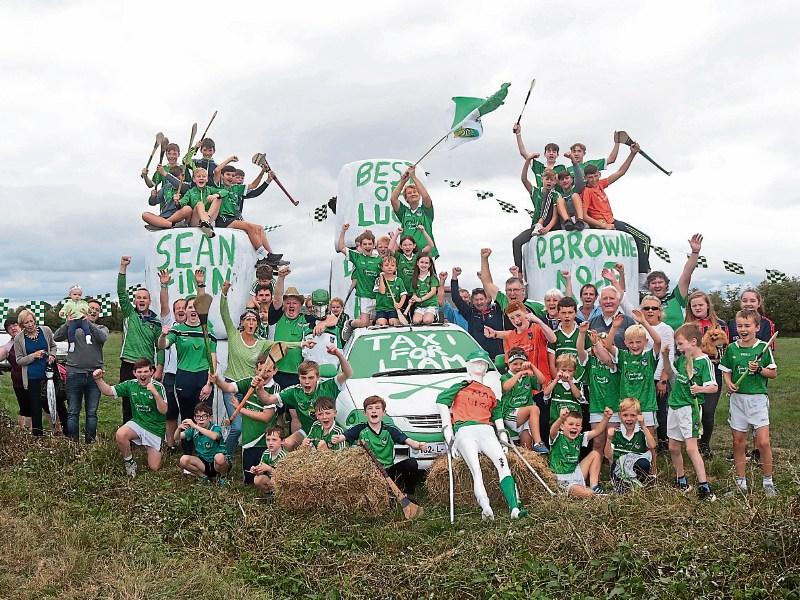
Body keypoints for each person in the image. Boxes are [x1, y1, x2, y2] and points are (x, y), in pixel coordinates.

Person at [437, 350, 527, 520]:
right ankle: (485, 507)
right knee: (476, 470)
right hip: (465, 431)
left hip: (486, 431)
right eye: (475, 362)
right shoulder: (460, 386)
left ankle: (514, 508)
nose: (479, 365)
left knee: (502, 464)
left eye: (482, 363)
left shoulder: (491, 392)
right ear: (468, 366)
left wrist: (502, 436)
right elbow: (441, 402)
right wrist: (448, 435)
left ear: (487, 367)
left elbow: (497, 414)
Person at [219, 278, 301, 457]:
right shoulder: (234, 335)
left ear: (257, 324)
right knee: (237, 426)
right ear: (242, 323)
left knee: (251, 424)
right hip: (233, 386)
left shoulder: (261, 343)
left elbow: (281, 344)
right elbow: (224, 313)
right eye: (247, 320)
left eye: (253, 321)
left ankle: (257, 455)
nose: (250, 323)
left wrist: (302, 343)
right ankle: (224, 457)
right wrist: (224, 293)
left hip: (252, 387)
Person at [720, 309, 778, 496]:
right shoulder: (732, 348)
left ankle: (768, 482)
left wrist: (759, 369)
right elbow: (726, 370)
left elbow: (773, 373)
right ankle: (741, 483)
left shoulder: (763, 347)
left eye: (747, 325)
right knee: (738, 442)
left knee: (763, 443)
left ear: (757, 327)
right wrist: (729, 383)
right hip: (738, 401)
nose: (743, 329)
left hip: (757, 401)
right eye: (740, 326)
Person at [581, 144, 652, 283]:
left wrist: (632, 154)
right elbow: (583, 216)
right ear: (585, 178)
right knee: (644, 240)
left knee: (645, 239)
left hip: (612, 220)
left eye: (595, 176)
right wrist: (603, 225)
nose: (594, 180)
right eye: (590, 177)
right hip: (607, 223)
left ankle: (644, 272)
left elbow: (620, 172)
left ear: (599, 175)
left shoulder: (600, 184)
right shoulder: (587, 192)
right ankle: (643, 278)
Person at [333, 395, 429, 493]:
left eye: (377, 408)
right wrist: (338, 438)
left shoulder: (390, 429)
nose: (374, 411)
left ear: (384, 412)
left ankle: (408, 495)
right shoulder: (360, 428)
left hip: (388, 471)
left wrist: (418, 445)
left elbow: (408, 441)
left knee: (411, 463)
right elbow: (345, 436)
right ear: (365, 413)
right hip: (370, 472)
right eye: (370, 408)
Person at [158, 292, 217, 447]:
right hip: (184, 377)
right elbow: (162, 345)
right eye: (189, 307)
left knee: (204, 416)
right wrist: (163, 336)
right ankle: (188, 453)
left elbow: (213, 359)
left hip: (203, 378)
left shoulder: (208, 330)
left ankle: (205, 452)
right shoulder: (178, 329)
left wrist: (209, 384)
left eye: (195, 307)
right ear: (186, 310)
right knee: (187, 416)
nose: (192, 310)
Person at [667, 323, 718, 501]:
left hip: (690, 409)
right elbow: (670, 371)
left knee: (691, 448)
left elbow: (713, 387)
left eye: (680, 344)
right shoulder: (682, 358)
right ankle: (681, 480)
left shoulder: (704, 362)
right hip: (674, 405)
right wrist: (666, 356)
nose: (678, 348)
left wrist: (700, 389)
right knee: (673, 446)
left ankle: (704, 486)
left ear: (693, 342)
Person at [93, 359, 168, 477]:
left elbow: (163, 410)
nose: (143, 374)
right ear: (135, 373)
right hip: (138, 422)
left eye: (145, 371)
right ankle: (129, 462)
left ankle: (158, 446)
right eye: (139, 372)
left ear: (152, 372)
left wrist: (155, 394)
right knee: (120, 434)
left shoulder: (158, 387)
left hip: (155, 428)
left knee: (154, 468)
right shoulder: (130, 384)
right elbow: (108, 391)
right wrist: (98, 379)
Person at [215, 353, 281, 484]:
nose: (265, 374)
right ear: (256, 370)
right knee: (249, 481)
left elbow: (266, 417)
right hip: (248, 441)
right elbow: (228, 387)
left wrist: (240, 408)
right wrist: (217, 380)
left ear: (275, 371)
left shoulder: (275, 388)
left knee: (264, 479)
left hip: (266, 442)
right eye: (262, 370)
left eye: (269, 370)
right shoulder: (249, 382)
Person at [272, 350, 352, 450]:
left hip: (327, 430)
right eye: (303, 378)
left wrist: (339, 354)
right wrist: (259, 387)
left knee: (324, 448)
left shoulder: (329, 386)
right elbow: (268, 399)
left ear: (318, 377)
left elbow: (348, 374)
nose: (307, 382)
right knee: (287, 444)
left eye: (310, 378)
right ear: (299, 377)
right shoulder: (295, 391)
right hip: (307, 431)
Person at [53, 297, 108, 443]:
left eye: (97, 310)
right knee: (73, 412)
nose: (94, 311)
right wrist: (69, 322)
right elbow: (56, 337)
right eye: (91, 308)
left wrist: (87, 323)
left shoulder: (101, 328)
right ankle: (73, 444)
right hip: (74, 373)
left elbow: (102, 338)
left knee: (91, 413)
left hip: (94, 376)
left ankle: (89, 444)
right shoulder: (73, 328)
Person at [117, 256, 164, 423]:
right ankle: (128, 436)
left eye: (145, 298)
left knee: (147, 401)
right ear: (135, 300)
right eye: (139, 297)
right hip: (128, 364)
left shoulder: (156, 321)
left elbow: (160, 347)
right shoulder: (130, 314)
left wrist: (159, 368)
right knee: (128, 401)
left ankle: (145, 433)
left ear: (150, 301)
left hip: (147, 367)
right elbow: (121, 292)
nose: (141, 300)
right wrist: (123, 267)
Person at [684, 290, 728, 457]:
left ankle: (705, 445)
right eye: (694, 305)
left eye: (700, 304)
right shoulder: (686, 325)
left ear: (708, 305)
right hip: (692, 370)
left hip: (712, 370)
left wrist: (718, 356)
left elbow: (726, 347)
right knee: (693, 410)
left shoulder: (721, 324)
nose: (697, 308)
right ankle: (692, 445)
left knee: (708, 411)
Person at [604, 311, 663, 435]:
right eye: (631, 342)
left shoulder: (648, 356)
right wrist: (614, 327)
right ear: (625, 343)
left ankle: (651, 455)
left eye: (638, 342)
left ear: (645, 342)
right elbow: (608, 345)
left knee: (648, 438)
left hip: (646, 405)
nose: (634, 345)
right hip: (627, 407)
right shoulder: (623, 355)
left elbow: (658, 341)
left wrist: (643, 322)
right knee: (629, 437)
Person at [214, 163, 285, 266]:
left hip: (234, 219)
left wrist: (263, 174)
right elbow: (216, 171)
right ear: (222, 176)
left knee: (259, 228)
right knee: (250, 227)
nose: (231, 177)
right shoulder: (218, 186)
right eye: (228, 174)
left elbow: (253, 186)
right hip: (223, 219)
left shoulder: (236, 188)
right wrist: (229, 159)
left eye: (233, 176)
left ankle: (272, 258)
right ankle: (264, 255)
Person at [636, 295, 675, 452]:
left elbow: (668, 355)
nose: (650, 311)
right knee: (642, 411)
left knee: (660, 412)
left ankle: (663, 445)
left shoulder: (666, 329)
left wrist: (662, 379)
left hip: (658, 378)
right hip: (640, 378)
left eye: (654, 308)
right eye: (646, 308)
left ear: (660, 311)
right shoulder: (637, 327)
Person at [549, 407, 613, 497]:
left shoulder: (580, 437)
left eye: (578, 425)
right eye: (571, 424)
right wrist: (561, 418)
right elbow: (552, 431)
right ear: (562, 426)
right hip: (562, 478)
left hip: (576, 473)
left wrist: (606, 418)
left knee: (595, 454)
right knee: (586, 493)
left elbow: (597, 431)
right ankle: (588, 492)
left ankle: (594, 486)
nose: (574, 427)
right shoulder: (558, 437)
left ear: (581, 428)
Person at [12, 309, 57, 436]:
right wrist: (33, 356)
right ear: (22, 325)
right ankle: (38, 436)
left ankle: (59, 431)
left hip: (49, 375)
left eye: (31, 321)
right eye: (26, 323)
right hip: (32, 377)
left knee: (52, 403)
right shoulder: (19, 339)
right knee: (35, 407)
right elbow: (19, 360)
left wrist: (52, 355)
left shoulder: (46, 330)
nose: (30, 324)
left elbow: (53, 346)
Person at [486, 301, 556, 381]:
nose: (516, 320)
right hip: (523, 388)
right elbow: (510, 365)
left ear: (526, 313)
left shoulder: (537, 328)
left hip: (543, 383)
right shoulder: (509, 337)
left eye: (518, 315)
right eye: (512, 318)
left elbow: (553, 339)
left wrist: (539, 321)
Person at [576, 321, 620, 451]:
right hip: (596, 408)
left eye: (605, 345)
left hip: (614, 408)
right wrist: (582, 333)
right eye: (598, 345)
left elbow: (606, 359)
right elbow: (580, 350)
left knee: (612, 444)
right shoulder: (591, 361)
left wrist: (597, 343)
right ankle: (597, 470)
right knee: (598, 443)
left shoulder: (615, 362)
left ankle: (615, 470)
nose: (601, 348)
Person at [645, 234, 704, 330]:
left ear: (666, 285)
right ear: (649, 286)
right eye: (653, 283)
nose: (657, 285)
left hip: (680, 342)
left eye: (660, 282)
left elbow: (686, 274)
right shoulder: (645, 304)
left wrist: (695, 252)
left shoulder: (676, 297)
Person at [478, 248, 546, 326]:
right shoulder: (504, 300)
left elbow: (557, 310)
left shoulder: (535, 306)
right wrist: (484, 258)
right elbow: (488, 283)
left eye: (516, 290)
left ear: (523, 291)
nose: (512, 293)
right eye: (509, 290)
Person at [156, 269, 185, 450]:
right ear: (174, 313)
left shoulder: (195, 326)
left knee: (189, 410)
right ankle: (171, 445)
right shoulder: (170, 324)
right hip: (171, 375)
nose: (181, 311)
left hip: (188, 373)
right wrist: (164, 285)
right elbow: (164, 304)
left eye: (184, 308)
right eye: (178, 309)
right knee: (171, 412)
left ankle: (189, 443)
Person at [512, 167, 561, 271]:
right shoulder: (536, 192)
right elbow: (524, 179)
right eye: (547, 179)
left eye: (552, 180)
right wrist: (528, 160)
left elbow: (555, 216)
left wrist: (547, 228)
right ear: (542, 179)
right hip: (536, 227)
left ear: (555, 182)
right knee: (516, 241)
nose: (549, 181)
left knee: (549, 194)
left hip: (551, 226)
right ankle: (519, 272)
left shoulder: (556, 194)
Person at [500, 347, 547, 453]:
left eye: (521, 364)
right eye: (515, 364)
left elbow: (542, 380)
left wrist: (532, 367)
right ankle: (538, 442)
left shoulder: (528, 377)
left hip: (525, 419)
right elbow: (506, 387)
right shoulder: (505, 377)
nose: (518, 367)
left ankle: (533, 447)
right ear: (508, 364)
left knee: (527, 450)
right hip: (510, 414)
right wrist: (519, 374)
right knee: (534, 409)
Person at [337, 224, 382, 334]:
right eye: (365, 244)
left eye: (370, 244)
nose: (367, 246)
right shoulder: (357, 257)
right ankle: (349, 323)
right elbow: (341, 247)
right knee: (364, 323)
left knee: (377, 323)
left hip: (378, 296)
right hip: (365, 296)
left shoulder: (379, 259)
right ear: (361, 246)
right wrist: (343, 230)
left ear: (374, 245)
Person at [604, 398, 657, 492]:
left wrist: (644, 426)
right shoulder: (616, 433)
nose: (629, 419)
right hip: (620, 469)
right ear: (620, 416)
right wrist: (609, 439)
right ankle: (623, 485)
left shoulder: (641, 432)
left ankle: (636, 484)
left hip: (636, 468)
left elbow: (652, 445)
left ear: (638, 416)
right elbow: (608, 455)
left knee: (644, 464)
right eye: (625, 415)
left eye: (633, 415)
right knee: (615, 466)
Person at [449, 268, 504, 357]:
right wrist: (454, 277)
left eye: (481, 299)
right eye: (476, 300)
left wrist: (483, 279)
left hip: (499, 356)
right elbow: (456, 298)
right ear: (472, 301)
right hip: (478, 357)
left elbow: (493, 291)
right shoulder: (470, 313)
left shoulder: (497, 310)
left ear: (486, 299)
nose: (479, 302)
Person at [175, 403, 231, 485]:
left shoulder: (215, 428)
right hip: (203, 463)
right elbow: (176, 437)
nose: (201, 419)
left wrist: (195, 426)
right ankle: (203, 477)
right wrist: (179, 428)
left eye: (204, 416)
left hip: (217, 463)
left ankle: (222, 477)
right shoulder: (193, 430)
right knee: (183, 459)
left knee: (219, 457)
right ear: (195, 418)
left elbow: (215, 437)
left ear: (210, 418)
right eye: (198, 416)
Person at [389, 165, 438, 258]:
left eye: (415, 192)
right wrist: (403, 182)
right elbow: (393, 199)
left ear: (419, 195)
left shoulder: (426, 211)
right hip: (408, 254)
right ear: (406, 198)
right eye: (409, 193)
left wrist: (413, 177)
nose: (413, 194)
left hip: (426, 254)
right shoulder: (404, 212)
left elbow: (426, 197)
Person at [1, 318, 29, 430]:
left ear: (20, 326)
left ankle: (57, 432)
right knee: (25, 408)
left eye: (14, 324)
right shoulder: (8, 345)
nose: (12, 328)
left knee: (46, 406)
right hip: (19, 382)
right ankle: (25, 434)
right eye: (9, 327)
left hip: (37, 379)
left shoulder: (31, 339)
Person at [389, 226, 434, 298]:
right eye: (405, 245)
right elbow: (390, 248)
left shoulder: (418, 256)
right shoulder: (399, 256)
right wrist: (396, 234)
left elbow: (431, 245)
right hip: (401, 293)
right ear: (401, 246)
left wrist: (423, 231)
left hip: (415, 293)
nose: (407, 247)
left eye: (410, 245)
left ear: (414, 245)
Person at [543, 354, 584, 425]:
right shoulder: (553, 383)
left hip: (573, 424)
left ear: (574, 371)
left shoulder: (578, 384)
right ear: (557, 369)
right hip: (556, 423)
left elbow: (579, 397)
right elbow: (546, 394)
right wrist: (556, 379)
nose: (566, 373)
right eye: (563, 370)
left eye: (570, 371)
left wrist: (570, 382)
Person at [251, 427, 287, 495]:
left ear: (282, 441)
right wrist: (255, 469)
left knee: (274, 479)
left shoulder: (284, 456)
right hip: (270, 480)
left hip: (283, 483)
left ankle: (279, 496)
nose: (270, 443)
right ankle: (269, 493)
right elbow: (261, 468)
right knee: (257, 479)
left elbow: (284, 476)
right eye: (268, 440)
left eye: (274, 440)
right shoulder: (266, 453)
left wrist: (269, 469)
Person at [374, 255, 407, 326]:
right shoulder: (378, 280)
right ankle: (375, 321)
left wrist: (400, 304)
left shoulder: (399, 280)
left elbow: (403, 294)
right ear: (382, 268)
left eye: (392, 265)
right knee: (382, 323)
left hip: (393, 309)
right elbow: (382, 291)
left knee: (392, 322)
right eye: (386, 265)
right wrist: (381, 277)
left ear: (396, 268)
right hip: (381, 309)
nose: (389, 267)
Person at [59, 284, 91, 353]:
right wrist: (62, 313)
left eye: (79, 295)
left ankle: (88, 339)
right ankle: (72, 344)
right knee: (70, 331)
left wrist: (88, 312)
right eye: (75, 294)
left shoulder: (83, 303)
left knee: (86, 328)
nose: (77, 296)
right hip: (73, 320)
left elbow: (88, 310)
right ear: (70, 295)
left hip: (82, 319)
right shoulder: (68, 304)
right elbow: (63, 310)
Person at [408, 255, 439, 325]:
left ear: (430, 265)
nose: (424, 265)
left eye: (426, 263)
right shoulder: (414, 279)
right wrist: (413, 299)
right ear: (417, 263)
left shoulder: (433, 277)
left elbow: (433, 292)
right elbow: (414, 294)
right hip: (420, 307)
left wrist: (420, 299)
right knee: (416, 321)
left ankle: (436, 316)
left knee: (427, 320)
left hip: (431, 305)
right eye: (421, 262)